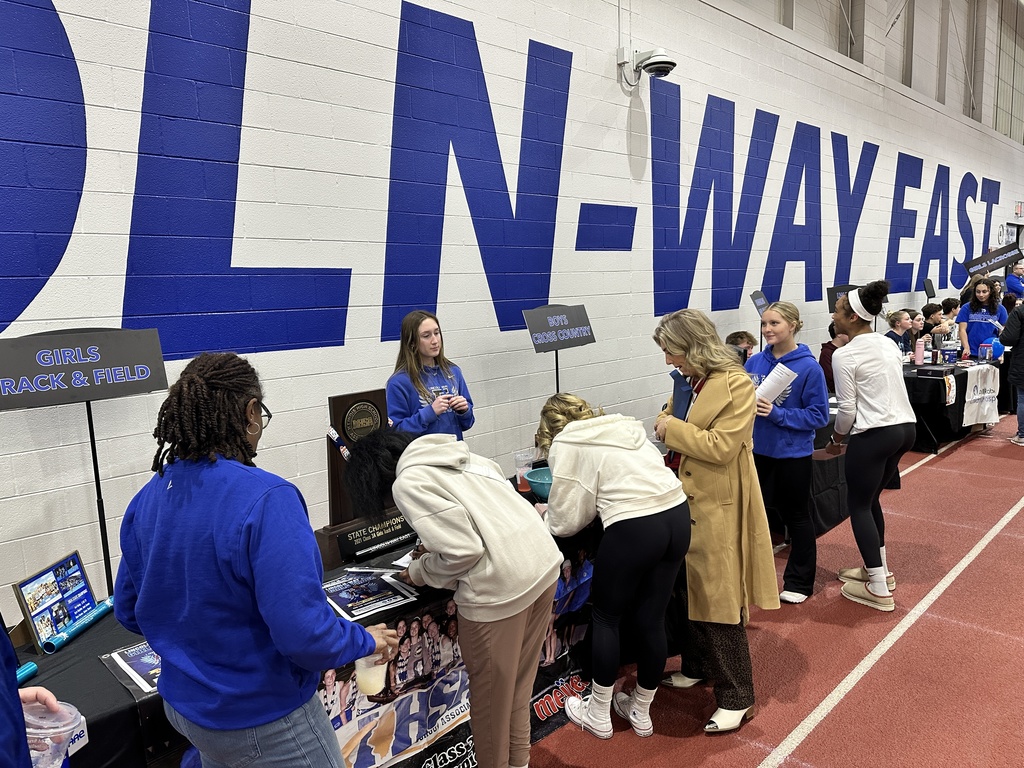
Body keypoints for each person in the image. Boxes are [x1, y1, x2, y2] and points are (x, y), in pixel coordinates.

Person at [114, 352, 398, 768]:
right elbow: (304, 635)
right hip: (265, 718)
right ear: (250, 413)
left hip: (187, 711)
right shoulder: (268, 499)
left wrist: (200, 637)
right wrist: (365, 639)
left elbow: (129, 610)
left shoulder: (147, 498)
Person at [344, 429, 561, 768]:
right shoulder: (464, 457)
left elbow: (465, 551)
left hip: (500, 592)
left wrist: (418, 571)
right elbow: (485, 521)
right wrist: (433, 548)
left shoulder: (408, 481)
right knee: (518, 691)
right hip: (543, 568)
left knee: (490, 710)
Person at [652, 309, 779, 734]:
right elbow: (675, 420)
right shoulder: (689, 381)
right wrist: (668, 420)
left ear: (693, 345)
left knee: (719, 602)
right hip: (683, 500)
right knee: (687, 593)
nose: (669, 360)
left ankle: (738, 696)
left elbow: (722, 446)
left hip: (717, 503)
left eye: (671, 351)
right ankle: (697, 665)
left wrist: (669, 427)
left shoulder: (737, 384)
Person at [535, 393, 690, 740]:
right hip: (677, 513)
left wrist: (546, 514)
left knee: (607, 618)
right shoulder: (623, 424)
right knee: (652, 618)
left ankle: (599, 713)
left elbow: (566, 521)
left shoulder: (567, 443)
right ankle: (641, 710)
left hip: (635, 526)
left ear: (549, 429)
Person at [825, 281, 916, 612]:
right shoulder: (887, 344)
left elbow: (847, 409)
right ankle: (878, 571)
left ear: (850, 317)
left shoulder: (844, 354)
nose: (833, 315)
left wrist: (836, 439)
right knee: (871, 499)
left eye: (836, 311)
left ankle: (878, 588)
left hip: (875, 433)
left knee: (859, 506)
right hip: (906, 428)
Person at [745, 302, 830, 604]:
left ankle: (799, 581)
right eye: (764, 324)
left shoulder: (809, 367)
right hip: (757, 452)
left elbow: (819, 415)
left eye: (774, 323)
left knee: (797, 517)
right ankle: (753, 580)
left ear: (792, 325)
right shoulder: (754, 362)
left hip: (792, 455)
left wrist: (778, 415)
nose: (767, 329)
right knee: (754, 518)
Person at [386, 310, 475, 439]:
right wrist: (429, 413)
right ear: (412, 343)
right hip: (423, 457)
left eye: (437, 333)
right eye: (426, 336)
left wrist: (464, 411)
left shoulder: (453, 372)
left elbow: (468, 423)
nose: (435, 341)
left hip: (455, 453)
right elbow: (395, 432)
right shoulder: (399, 382)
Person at [956, 277, 1008, 358]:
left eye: (984, 292)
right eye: (978, 292)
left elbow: (1002, 332)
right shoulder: (966, 307)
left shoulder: (1000, 309)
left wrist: (1001, 352)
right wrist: (966, 347)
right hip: (971, 351)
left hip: (991, 352)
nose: (981, 295)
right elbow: (962, 329)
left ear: (990, 292)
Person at [999, 301, 1024, 446]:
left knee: (1023, 397)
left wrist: (1004, 334)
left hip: (1022, 359)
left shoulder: (1019, 312)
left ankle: (1023, 434)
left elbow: (1009, 338)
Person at [818, 321, 848, 392]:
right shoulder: (826, 353)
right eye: (847, 331)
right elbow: (829, 379)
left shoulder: (847, 349)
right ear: (839, 334)